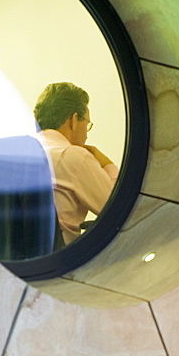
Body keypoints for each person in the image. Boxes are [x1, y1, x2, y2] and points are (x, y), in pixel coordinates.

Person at [33, 82, 118, 245]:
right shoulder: (73, 156)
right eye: (87, 124)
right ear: (73, 120)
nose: (86, 134)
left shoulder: (20, 153)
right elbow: (118, 209)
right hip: (63, 260)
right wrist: (107, 164)